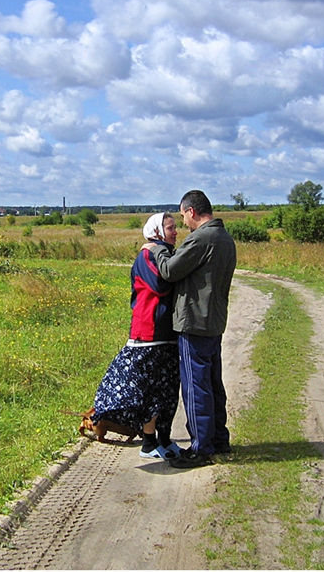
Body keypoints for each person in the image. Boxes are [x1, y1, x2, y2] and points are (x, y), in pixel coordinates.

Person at [144, 190, 237, 468]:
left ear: (192, 211)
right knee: (212, 383)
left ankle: (200, 448)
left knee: (196, 388)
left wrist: (156, 247)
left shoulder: (201, 238)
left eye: (183, 216)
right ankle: (219, 439)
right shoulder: (224, 238)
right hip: (213, 322)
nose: (183, 223)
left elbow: (170, 270)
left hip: (195, 323)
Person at [90, 213, 183, 460]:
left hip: (167, 333)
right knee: (151, 392)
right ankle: (149, 443)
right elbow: (161, 284)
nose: (176, 232)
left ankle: (164, 438)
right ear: (157, 231)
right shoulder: (147, 255)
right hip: (149, 333)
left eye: (176, 227)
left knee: (168, 392)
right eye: (171, 227)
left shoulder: (165, 253)